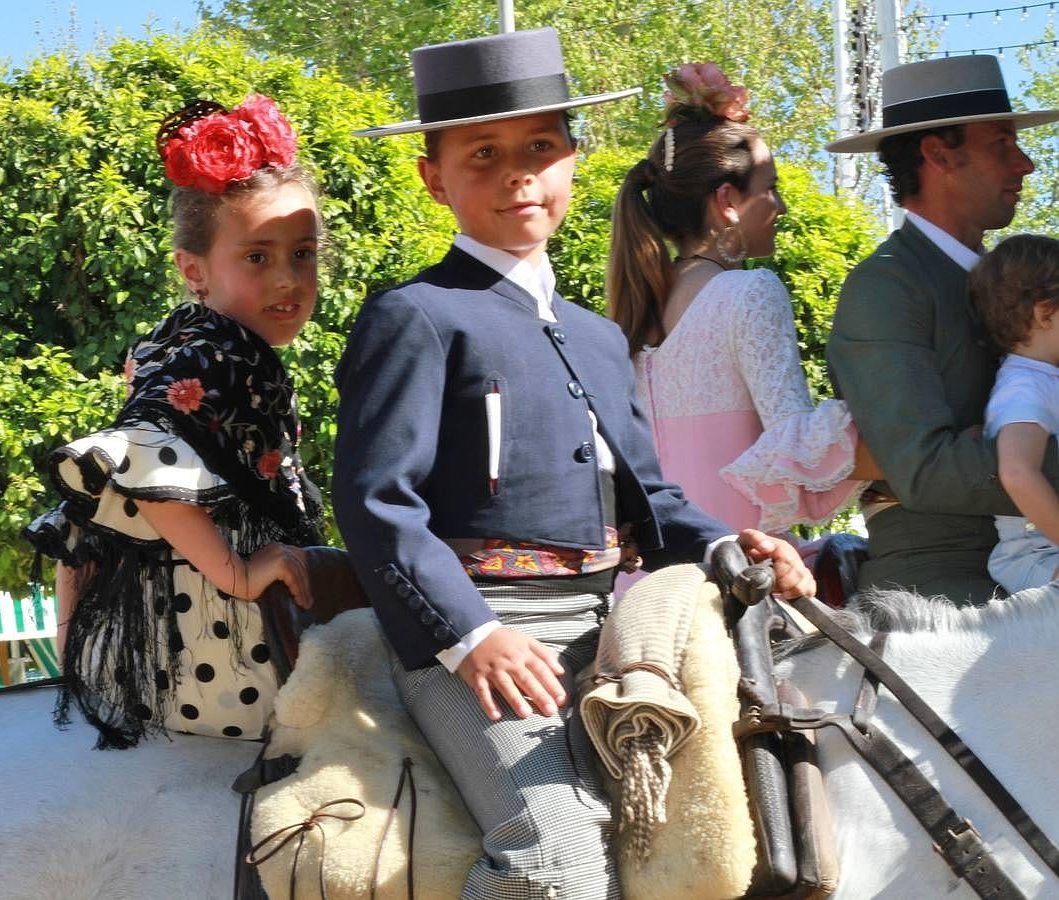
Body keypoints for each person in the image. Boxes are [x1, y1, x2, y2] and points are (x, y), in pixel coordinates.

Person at [336, 29, 815, 899]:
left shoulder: (597, 337)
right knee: (553, 857)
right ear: (432, 177)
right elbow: (378, 505)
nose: (519, 172)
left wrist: (729, 547)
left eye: (541, 148)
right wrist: (471, 637)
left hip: (608, 628)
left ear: (573, 162)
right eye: (484, 154)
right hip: (480, 638)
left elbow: (654, 501)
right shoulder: (416, 316)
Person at [25, 94, 323, 749]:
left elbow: (89, 516)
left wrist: (71, 639)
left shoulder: (192, 339)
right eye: (257, 257)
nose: (288, 278)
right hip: (218, 642)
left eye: (304, 253)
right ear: (194, 270)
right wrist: (239, 574)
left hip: (171, 630)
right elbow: (141, 466)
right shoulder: (213, 348)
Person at [826, 55, 1059, 603]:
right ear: (937, 155)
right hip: (939, 589)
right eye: (1002, 142)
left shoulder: (1006, 276)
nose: (1024, 163)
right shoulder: (885, 288)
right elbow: (925, 470)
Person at [608, 62, 872, 538]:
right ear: (728, 200)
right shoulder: (749, 292)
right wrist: (881, 416)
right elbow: (793, 444)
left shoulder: (633, 307)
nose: (781, 207)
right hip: (739, 564)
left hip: (649, 577)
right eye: (770, 189)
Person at [969, 234, 1059, 592]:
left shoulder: (1043, 379)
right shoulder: (1025, 386)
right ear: (1044, 313)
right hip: (1034, 553)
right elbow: (1018, 472)